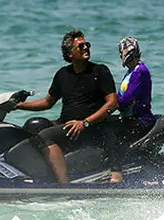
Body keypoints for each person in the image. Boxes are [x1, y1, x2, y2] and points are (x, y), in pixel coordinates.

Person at [13, 30, 118, 184]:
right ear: (70, 54)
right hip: (67, 124)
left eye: (87, 45)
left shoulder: (99, 71)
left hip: (90, 126)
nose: (86, 48)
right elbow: (47, 102)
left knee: (45, 136)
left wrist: (85, 123)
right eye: (80, 46)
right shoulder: (62, 74)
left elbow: (112, 103)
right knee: (33, 126)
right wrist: (19, 105)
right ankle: (38, 177)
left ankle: (63, 183)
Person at [116, 37, 155, 128]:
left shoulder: (139, 71)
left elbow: (126, 100)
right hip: (129, 118)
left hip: (140, 120)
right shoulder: (131, 71)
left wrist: (111, 103)